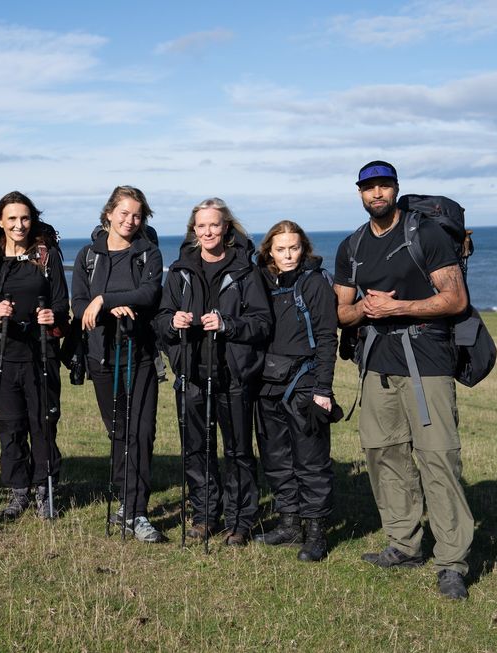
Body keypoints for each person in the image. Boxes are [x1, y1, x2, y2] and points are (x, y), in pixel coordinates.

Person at [334, 161, 473, 600]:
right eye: (368, 187)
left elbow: (454, 299)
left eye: (383, 186)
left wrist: (399, 308)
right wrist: (367, 310)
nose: (376, 193)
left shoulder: (424, 235)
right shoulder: (352, 245)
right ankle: (403, 543)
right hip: (375, 364)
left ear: (396, 189)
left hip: (427, 361)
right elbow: (342, 311)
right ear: (359, 193)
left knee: (437, 458)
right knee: (383, 454)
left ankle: (452, 561)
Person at [155, 198, 271, 546]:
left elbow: (263, 324)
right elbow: (160, 320)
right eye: (201, 226)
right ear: (194, 230)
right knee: (196, 449)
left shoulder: (245, 271)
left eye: (214, 225)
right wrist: (173, 323)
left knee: (237, 450)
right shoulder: (180, 271)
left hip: (233, 375)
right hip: (191, 374)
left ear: (226, 228)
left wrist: (228, 324)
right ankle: (205, 515)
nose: (207, 231)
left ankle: (240, 520)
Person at [71, 186, 165, 543]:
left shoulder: (148, 254)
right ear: (108, 213)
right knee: (120, 434)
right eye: (123, 213)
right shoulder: (87, 256)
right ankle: (126, 504)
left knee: (141, 433)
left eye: (137, 215)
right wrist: (99, 306)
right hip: (102, 359)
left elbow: (149, 294)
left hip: (139, 356)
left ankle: (137, 512)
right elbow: (79, 306)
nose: (130, 221)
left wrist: (104, 300)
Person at [253, 220, 338, 561]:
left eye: (294, 248)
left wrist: (323, 389)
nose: (288, 255)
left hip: (305, 383)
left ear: (304, 248)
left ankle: (315, 532)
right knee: (276, 459)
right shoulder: (260, 282)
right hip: (266, 383)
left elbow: (328, 338)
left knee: (312, 461)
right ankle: (289, 525)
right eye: (281, 249)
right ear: (269, 252)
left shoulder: (315, 283)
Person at [0, 191, 69, 520]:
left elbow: (62, 302)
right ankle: (18, 492)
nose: (19, 225)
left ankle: (45, 490)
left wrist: (53, 315)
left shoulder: (46, 255)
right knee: (10, 425)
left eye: (25, 218)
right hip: (4, 354)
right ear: (0, 222)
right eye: (12, 219)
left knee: (43, 423)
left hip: (41, 353)